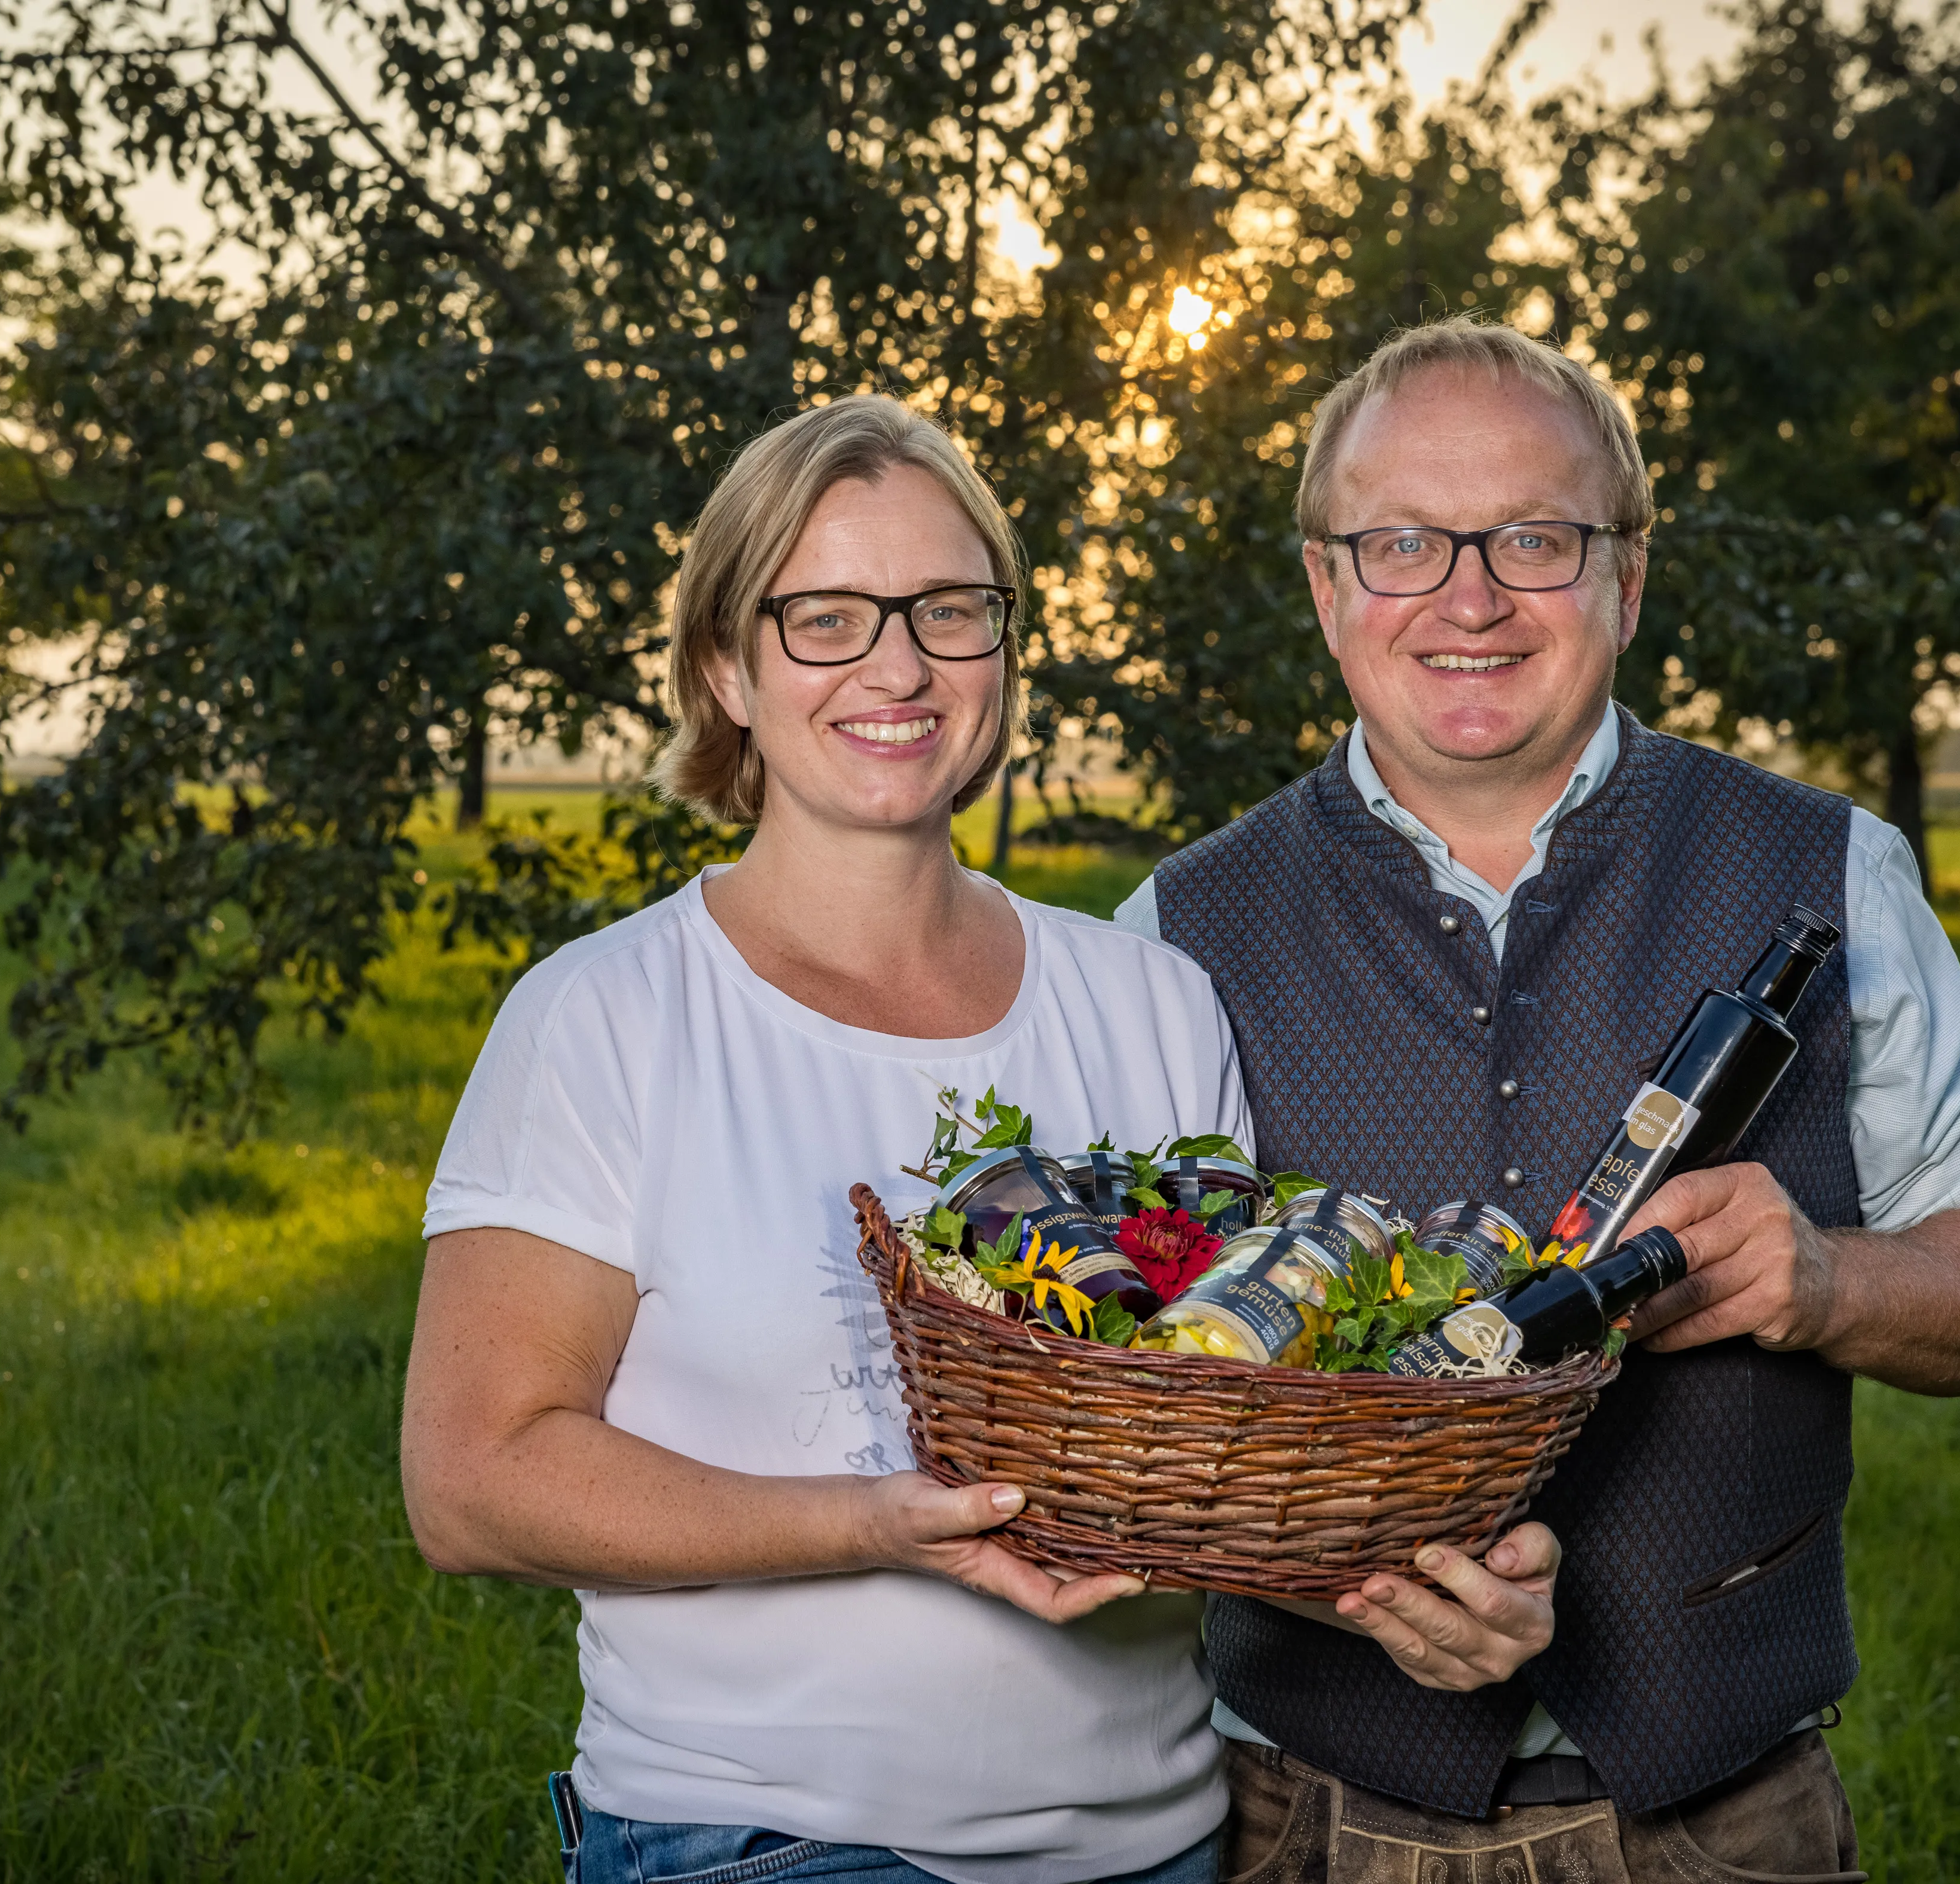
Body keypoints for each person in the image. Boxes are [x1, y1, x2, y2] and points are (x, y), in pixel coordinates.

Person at [405, 395, 1561, 1884]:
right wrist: (875, 1525)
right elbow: (471, 1481)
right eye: (824, 616)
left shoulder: (1146, 998)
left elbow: (1201, 1433)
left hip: (1158, 1847)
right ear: (724, 669)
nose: (897, 666)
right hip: (768, 1845)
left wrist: (1416, 1585)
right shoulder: (607, 1019)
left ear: (1004, 653)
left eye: (949, 611)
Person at [1115, 317, 1960, 1879]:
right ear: (1322, 583)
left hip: (1719, 1820)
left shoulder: (1828, 871)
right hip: (1291, 1812)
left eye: (1534, 537)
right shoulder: (1174, 930)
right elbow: (1121, 1420)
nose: (1469, 595)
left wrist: (1830, 1280)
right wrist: (1337, 1572)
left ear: (1626, 574)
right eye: (1401, 542)